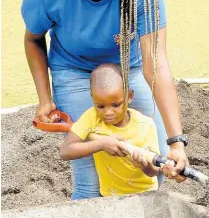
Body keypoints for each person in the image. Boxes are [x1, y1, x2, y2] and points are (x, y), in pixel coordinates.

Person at [22, 0, 188, 200]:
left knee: (155, 163)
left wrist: (177, 142)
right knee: (89, 177)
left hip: (130, 68)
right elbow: (33, 39)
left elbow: (156, 64)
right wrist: (45, 98)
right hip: (73, 70)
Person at [60, 63, 162, 197]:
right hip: (109, 198)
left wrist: (143, 165)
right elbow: (65, 152)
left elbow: (153, 171)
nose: (108, 112)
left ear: (129, 96)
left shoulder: (145, 125)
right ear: (92, 98)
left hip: (145, 195)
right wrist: (101, 144)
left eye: (116, 105)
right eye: (100, 106)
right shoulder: (92, 117)